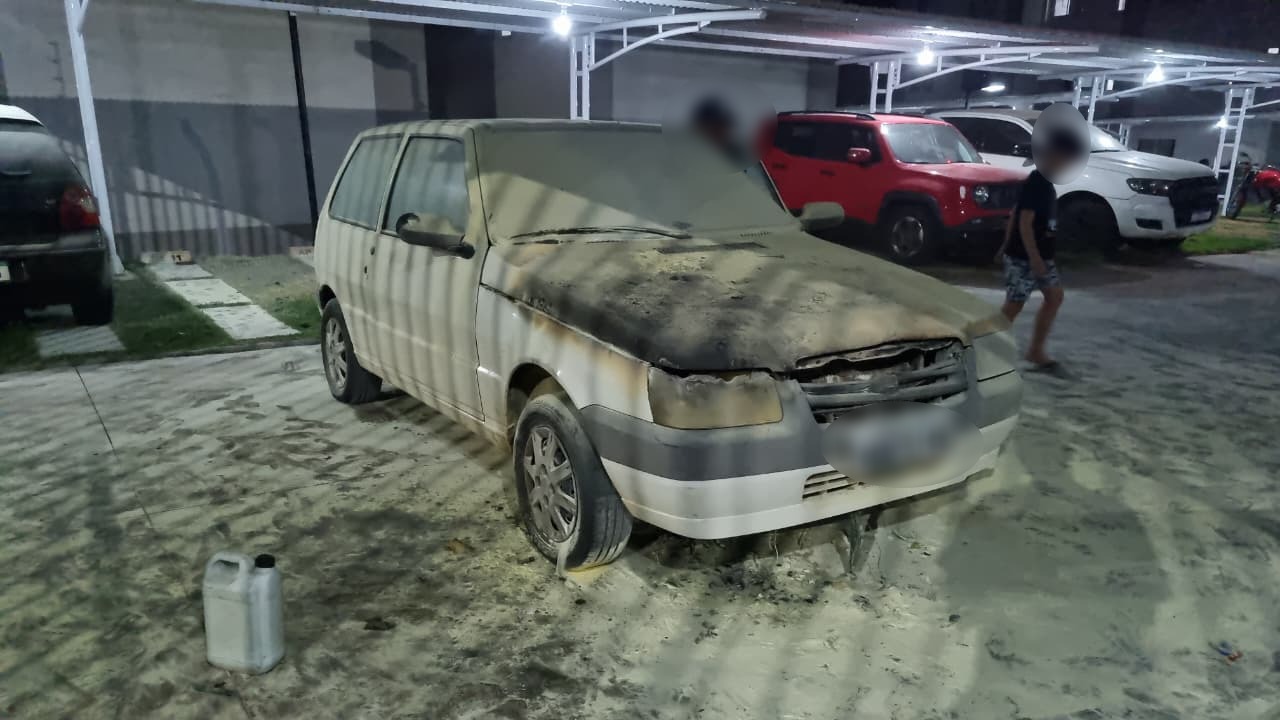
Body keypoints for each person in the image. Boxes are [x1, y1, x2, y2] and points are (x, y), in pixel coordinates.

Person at [996, 129, 1085, 372]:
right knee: (1014, 305)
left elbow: (1015, 213)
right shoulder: (1037, 182)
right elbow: (1024, 220)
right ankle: (979, 343)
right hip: (1025, 256)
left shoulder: (1046, 183)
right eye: (1066, 158)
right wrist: (1032, 258)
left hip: (1039, 256)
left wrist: (1005, 244)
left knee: (1054, 297)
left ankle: (1036, 350)